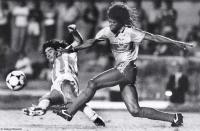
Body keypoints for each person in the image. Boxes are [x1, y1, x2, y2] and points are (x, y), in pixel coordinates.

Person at [54, 2, 193, 127]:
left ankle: (70, 111)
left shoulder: (131, 32)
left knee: (92, 83)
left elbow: (155, 37)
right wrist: (70, 48)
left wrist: (177, 43)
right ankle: (174, 118)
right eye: (109, 21)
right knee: (135, 110)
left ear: (121, 21)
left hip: (127, 69)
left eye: (114, 22)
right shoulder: (107, 31)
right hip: (122, 71)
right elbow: (91, 42)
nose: (111, 24)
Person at [22, 25, 105, 127]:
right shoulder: (54, 66)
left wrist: (74, 31)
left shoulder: (66, 52)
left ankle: (94, 117)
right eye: (46, 53)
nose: (47, 55)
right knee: (45, 98)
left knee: (73, 101)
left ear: (58, 49)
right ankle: (41, 109)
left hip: (66, 81)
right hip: (57, 87)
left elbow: (78, 41)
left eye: (50, 51)